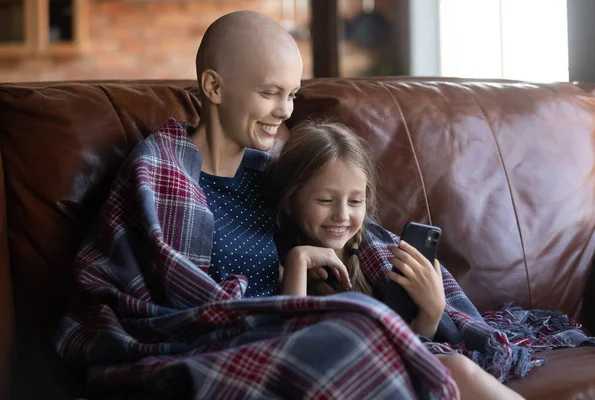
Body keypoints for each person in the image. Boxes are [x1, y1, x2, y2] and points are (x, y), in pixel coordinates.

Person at [54, 10, 460, 399]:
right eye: (270, 93)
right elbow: (141, 302)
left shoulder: (273, 180)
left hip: (286, 344)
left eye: (292, 95)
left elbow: (350, 234)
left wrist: (422, 304)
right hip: (202, 351)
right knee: (354, 326)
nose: (284, 111)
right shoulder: (158, 173)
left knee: (447, 364)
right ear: (214, 88)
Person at [268, 120, 527, 400]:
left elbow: (414, 344)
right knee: (461, 370)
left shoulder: (380, 250)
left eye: (355, 202)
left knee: (460, 369)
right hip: (338, 377)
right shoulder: (275, 259)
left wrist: (432, 312)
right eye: (325, 200)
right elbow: (290, 349)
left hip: (391, 368)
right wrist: (298, 261)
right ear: (292, 201)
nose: (342, 215)